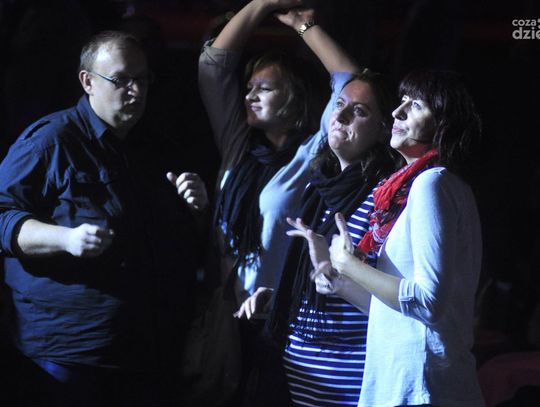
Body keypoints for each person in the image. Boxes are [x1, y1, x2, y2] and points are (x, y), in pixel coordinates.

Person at [0, 30, 206, 407]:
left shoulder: (150, 146)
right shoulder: (52, 141)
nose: (136, 91)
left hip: (142, 352)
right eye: (121, 79)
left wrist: (192, 208)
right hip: (70, 356)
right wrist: (65, 239)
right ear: (88, 81)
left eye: (142, 79)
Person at [232, 8, 400, 405]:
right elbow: (317, 279)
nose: (340, 115)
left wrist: (303, 25)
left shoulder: (385, 199)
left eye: (359, 111)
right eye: (338, 104)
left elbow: (402, 304)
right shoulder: (319, 188)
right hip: (300, 375)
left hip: (350, 379)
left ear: (383, 130)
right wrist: (277, 294)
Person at [293, 70, 484, 406]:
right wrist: (340, 278)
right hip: (412, 379)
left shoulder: (430, 185)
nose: (398, 112)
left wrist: (349, 264)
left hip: (419, 384)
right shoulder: (438, 184)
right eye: (402, 102)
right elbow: (396, 313)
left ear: (443, 124)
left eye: (416, 105)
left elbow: (427, 302)